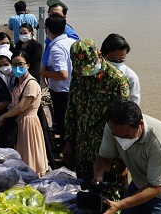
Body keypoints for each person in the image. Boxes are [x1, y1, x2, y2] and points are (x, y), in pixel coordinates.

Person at [63, 39, 130, 182]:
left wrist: (124, 159)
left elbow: (125, 122)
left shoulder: (116, 81)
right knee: (82, 190)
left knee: (108, 195)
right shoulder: (78, 74)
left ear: (99, 55)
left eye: (88, 67)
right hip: (82, 147)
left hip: (106, 152)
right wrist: (68, 141)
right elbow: (71, 108)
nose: (85, 73)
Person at [0, 51, 49, 175]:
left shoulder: (31, 84)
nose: (17, 68)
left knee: (29, 157)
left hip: (28, 124)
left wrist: (3, 116)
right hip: (18, 123)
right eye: (14, 65)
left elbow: (21, 107)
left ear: (28, 65)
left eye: (20, 64)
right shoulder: (18, 82)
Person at [40, 15, 76, 147]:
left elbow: (62, 74)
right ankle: (67, 143)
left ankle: (64, 146)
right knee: (69, 119)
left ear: (47, 30)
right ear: (65, 28)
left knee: (62, 119)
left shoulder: (57, 47)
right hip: (72, 88)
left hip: (61, 90)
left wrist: (43, 72)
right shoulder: (72, 42)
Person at [101, 33, 141, 105]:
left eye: (121, 60)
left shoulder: (131, 77)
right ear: (103, 54)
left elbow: (134, 103)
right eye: (114, 60)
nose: (117, 63)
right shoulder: (93, 73)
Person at [41, 0, 79, 70]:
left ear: (64, 17)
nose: (53, 18)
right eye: (51, 15)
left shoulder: (69, 33)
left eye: (57, 15)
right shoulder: (50, 29)